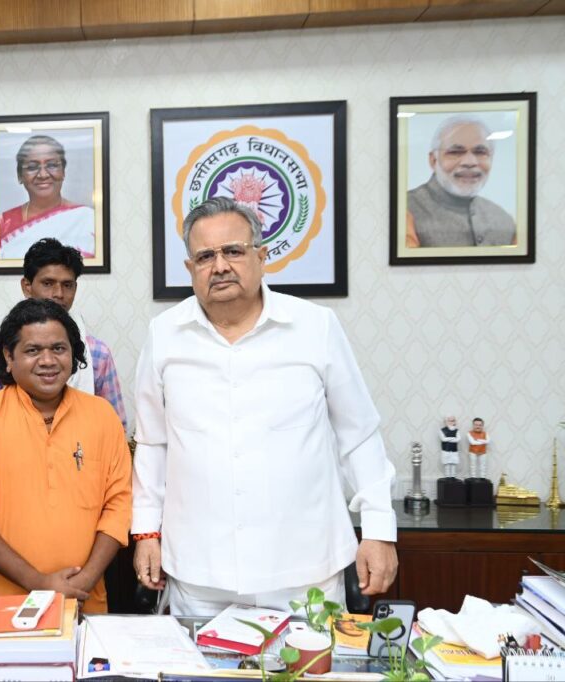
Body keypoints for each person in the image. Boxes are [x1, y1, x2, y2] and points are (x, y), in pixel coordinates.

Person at [131, 197, 398, 617]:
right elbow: (152, 443)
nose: (220, 266)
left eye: (233, 251)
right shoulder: (164, 335)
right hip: (201, 576)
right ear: (190, 268)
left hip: (304, 574)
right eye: (205, 256)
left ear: (261, 256)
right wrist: (146, 531)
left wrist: (379, 529)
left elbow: (359, 433)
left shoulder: (314, 326)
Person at [0, 298, 132, 613]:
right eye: (33, 350)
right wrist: (39, 582)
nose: (48, 360)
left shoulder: (102, 416)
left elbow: (118, 506)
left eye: (59, 349)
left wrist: (85, 579)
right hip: (3, 605)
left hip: (85, 600)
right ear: (9, 357)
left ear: (74, 354)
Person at [0, 238, 127, 430]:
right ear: (27, 286)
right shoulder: (0, 353)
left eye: (67, 285)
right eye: (48, 283)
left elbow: (115, 426)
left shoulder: (98, 353)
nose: (58, 293)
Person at [406, 116, 516, 248]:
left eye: (480, 152)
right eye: (455, 152)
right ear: (433, 161)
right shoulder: (404, 209)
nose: (470, 162)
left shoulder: (503, 220)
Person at [0, 134, 96, 259]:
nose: (43, 175)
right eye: (32, 167)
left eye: (52, 165)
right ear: (20, 175)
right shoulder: (5, 223)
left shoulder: (88, 220)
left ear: (63, 172)